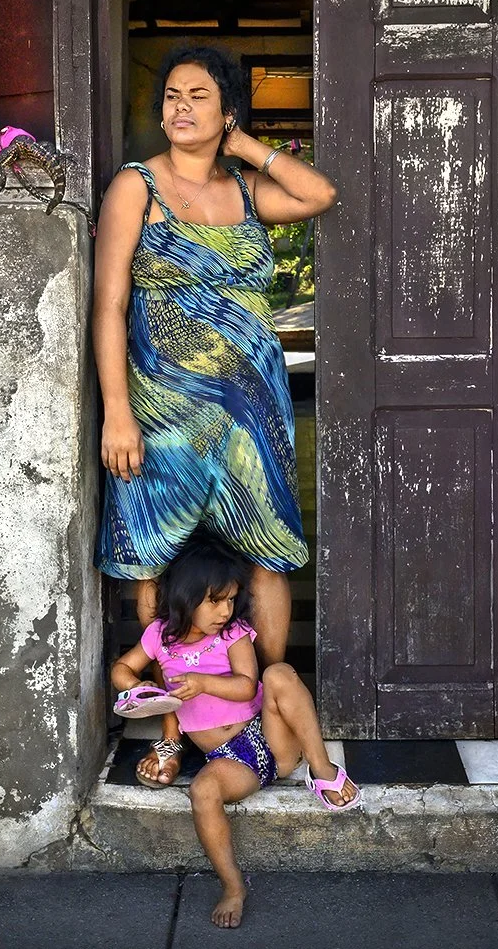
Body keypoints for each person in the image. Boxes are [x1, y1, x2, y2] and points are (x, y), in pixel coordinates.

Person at [93, 43, 338, 787]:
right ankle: (170, 723)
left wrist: (246, 147)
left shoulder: (246, 191)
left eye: (199, 96)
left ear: (227, 111)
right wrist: (115, 411)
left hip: (251, 412)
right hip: (161, 409)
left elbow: (319, 194)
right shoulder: (136, 187)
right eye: (172, 94)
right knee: (151, 554)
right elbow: (108, 306)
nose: (181, 107)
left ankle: (263, 704)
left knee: (268, 553)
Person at [110, 532, 361, 929]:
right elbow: (121, 668)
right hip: (230, 761)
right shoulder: (159, 636)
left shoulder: (233, 633)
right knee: (202, 791)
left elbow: (246, 686)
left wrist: (203, 683)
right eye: (215, 601)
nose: (225, 610)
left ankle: (323, 769)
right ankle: (232, 886)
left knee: (279, 674)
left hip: (268, 738)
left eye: (230, 599)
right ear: (186, 598)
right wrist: (137, 687)